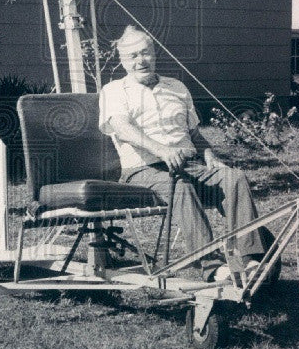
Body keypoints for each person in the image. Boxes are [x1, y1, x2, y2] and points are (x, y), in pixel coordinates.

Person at [97, 25, 266, 273]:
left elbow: (194, 133)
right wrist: (162, 150)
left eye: (144, 53)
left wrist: (210, 157)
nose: (140, 60)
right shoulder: (114, 91)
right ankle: (212, 266)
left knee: (234, 178)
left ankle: (251, 259)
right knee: (182, 188)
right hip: (143, 170)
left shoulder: (176, 87)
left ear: (154, 54)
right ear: (122, 61)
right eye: (132, 56)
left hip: (190, 165)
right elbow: (122, 128)